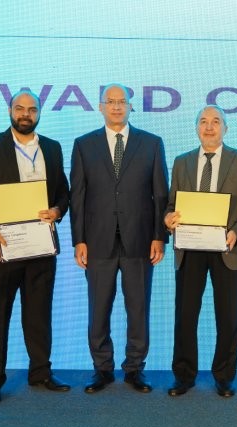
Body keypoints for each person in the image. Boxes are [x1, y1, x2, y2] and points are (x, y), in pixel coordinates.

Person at [0, 90, 71, 405]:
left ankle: (40, 373)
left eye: (32, 109)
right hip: (3, 246)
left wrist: (57, 211)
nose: (26, 114)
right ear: (10, 110)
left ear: (39, 113)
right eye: (20, 108)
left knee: (39, 314)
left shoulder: (52, 148)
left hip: (40, 246)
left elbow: (63, 192)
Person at [70, 83, 169, 394]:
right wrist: (78, 240)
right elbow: (77, 196)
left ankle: (134, 368)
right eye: (110, 101)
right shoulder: (84, 145)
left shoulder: (151, 143)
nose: (116, 106)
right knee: (98, 309)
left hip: (140, 240)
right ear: (100, 107)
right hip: (97, 241)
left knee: (138, 308)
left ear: (130, 106)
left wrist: (159, 236)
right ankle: (102, 368)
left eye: (121, 101)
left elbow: (160, 194)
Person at [164, 105, 237, 398]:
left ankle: (224, 376)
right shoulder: (181, 162)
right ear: (196, 128)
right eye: (204, 122)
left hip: (226, 249)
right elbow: (171, 205)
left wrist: (236, 233)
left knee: (228, 318)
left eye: (216, 121)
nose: (209, 127)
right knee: (185, 317)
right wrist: (168, 219)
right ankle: (184, 376)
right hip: (190, 249)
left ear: (225, 128)